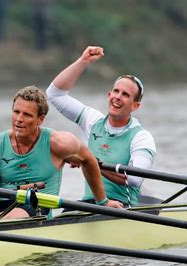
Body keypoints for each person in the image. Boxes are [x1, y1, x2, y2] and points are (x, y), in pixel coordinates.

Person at [0, 85, 122, 221]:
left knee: (10, 219)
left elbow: (88, 160)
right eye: (16, 112)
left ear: (40, 119)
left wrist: (103, 202)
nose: (19, 119)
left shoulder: (59, 143)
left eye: (26, 115)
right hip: (2, 209)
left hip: (38, 206)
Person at [46, 46, 156, 207]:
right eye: (116, 91)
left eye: (125, 95)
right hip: (91, 204)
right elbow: (55, 94)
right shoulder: (92, 120)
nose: (118, 97)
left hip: (122, 207)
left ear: (135, 106)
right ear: (109, 95)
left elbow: (134, 179)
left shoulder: (142, 137)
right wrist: (83, 61)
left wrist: (89, 162)